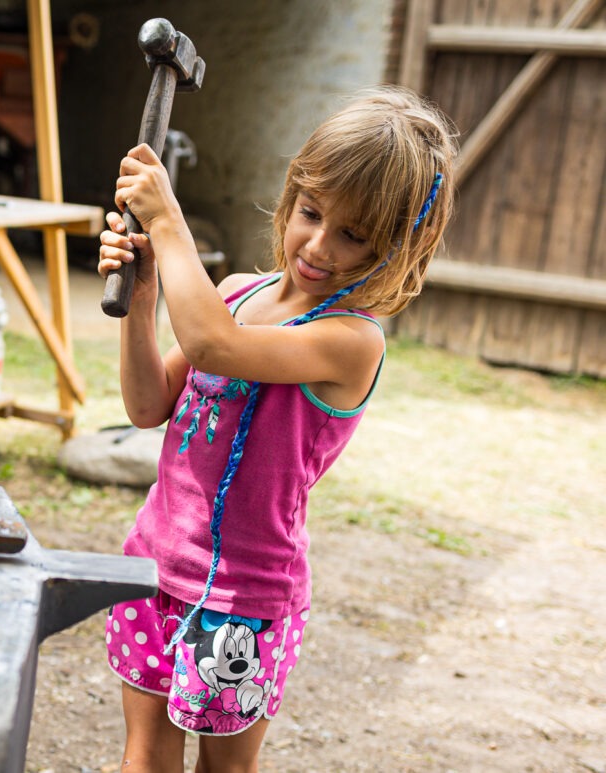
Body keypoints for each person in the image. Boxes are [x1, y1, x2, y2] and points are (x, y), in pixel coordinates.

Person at [96, 86, 457, 771]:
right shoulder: (235, 293)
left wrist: (170, 222)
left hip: (244, 601)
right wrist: (143, 299)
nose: (318, 245)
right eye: (311, 213)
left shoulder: (350, 341)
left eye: (353, 235)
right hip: (154, 564)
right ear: (292, 195)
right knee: (143, 753)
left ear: (398, 247)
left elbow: (214, 348)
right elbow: (148, 405)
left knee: (224, 767)